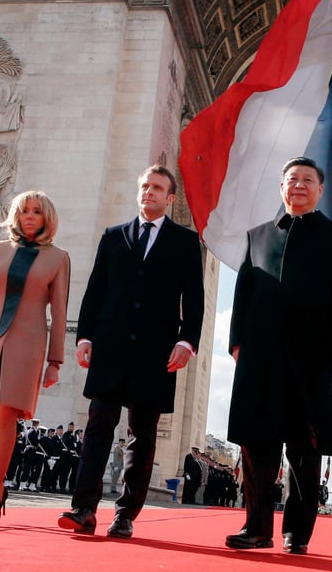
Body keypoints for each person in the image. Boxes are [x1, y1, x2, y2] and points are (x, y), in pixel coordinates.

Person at [224, 157, 332, 555]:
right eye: (292, 180)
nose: (299, 185)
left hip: (311, 352)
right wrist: (237, 343)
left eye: (307, 180)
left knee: (304, 445)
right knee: (256, 442)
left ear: (320, 190)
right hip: (260, 353)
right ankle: (256, 527)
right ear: (282, 188)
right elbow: (243, 295)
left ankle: (297, 533)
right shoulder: (257, 236)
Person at [60, 164, 204, 539]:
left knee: (142, 434)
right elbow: (95, 289)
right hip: (109, 346)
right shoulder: (113, 236)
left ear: (170, 198)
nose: (148, 192)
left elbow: (196, 298)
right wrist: (84, 336)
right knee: (98, 427)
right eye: (144, 186)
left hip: (157, 352)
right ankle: (83, 508)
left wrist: (187, 342)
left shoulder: (186, 242)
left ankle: (125, 513)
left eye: (157, 188)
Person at [0, 190, 70, 526]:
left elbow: (60, 313)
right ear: (16, 216)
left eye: (37, 211)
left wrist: (55, 361)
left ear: (47, 218)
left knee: (7, 413)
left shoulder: (58, 258)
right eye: (24, 211)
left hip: (28, 342)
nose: (30, 216)